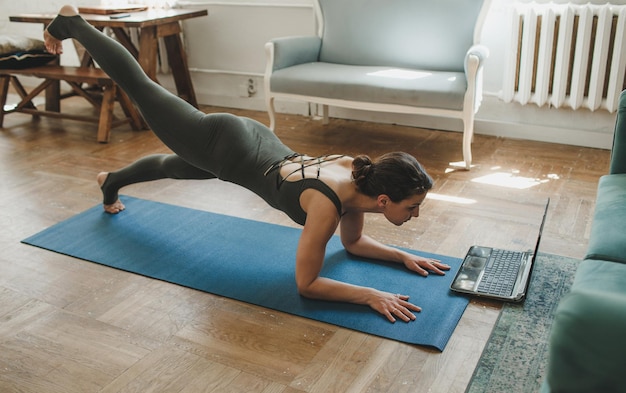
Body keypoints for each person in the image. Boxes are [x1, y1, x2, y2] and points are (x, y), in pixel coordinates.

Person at [44, 5, 450, 323]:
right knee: (141, 86)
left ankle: (110, 181)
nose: (414, 215)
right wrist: (370, 295)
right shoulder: (328, 205)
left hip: (248, 142)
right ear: (384, 200)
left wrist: (402, 257)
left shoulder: (357, 173)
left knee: (178, 165)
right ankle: (72, 23)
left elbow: (354, 243)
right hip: (222, 144)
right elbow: (307, 284)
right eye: (411, 206)